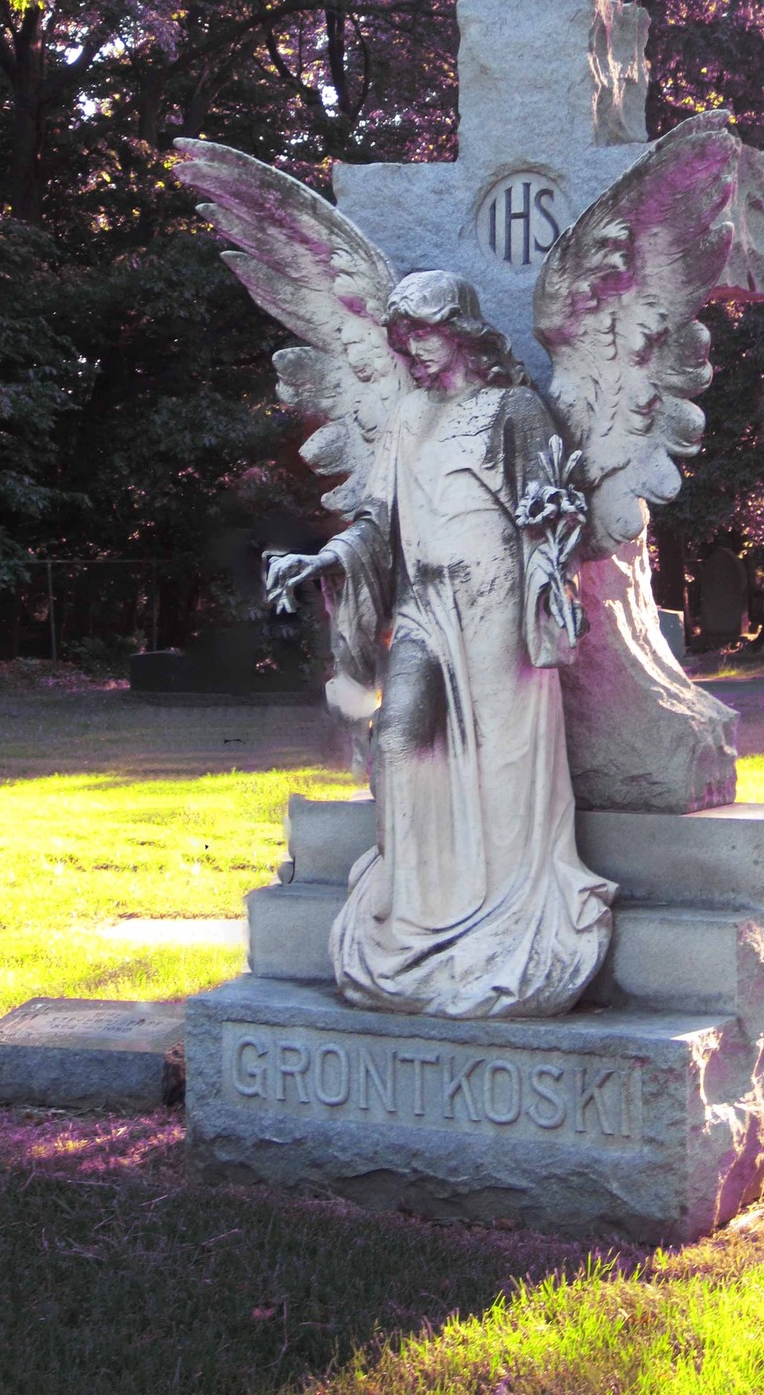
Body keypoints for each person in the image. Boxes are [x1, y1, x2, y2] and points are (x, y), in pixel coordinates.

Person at [266, 271, 615, 1018]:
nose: (412, 351)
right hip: (425, 604)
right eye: (401, 338)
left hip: (493, 608)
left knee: (498, 762)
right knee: (394, 740)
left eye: (423, 333)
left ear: (461, 329)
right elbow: (376, 521)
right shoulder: (406, 417)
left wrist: (557, 533)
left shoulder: (513, 410)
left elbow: (550, 513)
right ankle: (415, 910)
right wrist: (325, 559)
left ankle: (497, 913)